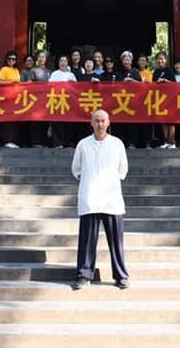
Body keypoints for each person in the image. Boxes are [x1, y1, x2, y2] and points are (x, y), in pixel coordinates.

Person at [71, 109, 130, 291]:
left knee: (116, 242)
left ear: (109, 122)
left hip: (111, 198)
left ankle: (121, 275)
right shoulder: (83, 144)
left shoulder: (117, 144)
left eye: (103, 120)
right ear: (91, 123)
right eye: (96, 121)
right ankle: (84, 274)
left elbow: (123, 170)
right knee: (87, 240)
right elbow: (76, 169)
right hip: (90, 197)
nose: (100, 124)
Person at [49, 55, 77, 147]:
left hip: (68, 102)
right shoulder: (54, 74)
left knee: (68, 122)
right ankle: (58, 143)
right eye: (61, 61)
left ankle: (68, 142)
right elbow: (49, 87)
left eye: (65, 61)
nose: (63, 63)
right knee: (57, 122)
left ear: (67, 63)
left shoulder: (71, 75)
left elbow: (77, 88)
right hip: (57, 101)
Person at [24, 51, 51, 147]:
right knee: (35, 120)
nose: (41, 59)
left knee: (44, 120)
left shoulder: (49, 72)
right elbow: (28, 83)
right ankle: (35, 142)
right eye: (39, 57)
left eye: (43, 57)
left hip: (46, 99)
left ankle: (44, 141)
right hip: (34, 99)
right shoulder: (33, 70)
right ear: (37, 59)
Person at [152, 52, 176, 149]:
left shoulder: (169, 71)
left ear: (165, 60)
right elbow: (152, 85)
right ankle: (166, 141)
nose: (160, 61)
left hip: (170, 98)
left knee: (171, 121)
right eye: (159, 59)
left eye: (162, 59)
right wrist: (157, 83)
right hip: (160, 99)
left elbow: (174, 84)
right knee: (163, 121)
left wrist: (166, 81)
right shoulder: (156, 72)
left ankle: (172, 141)